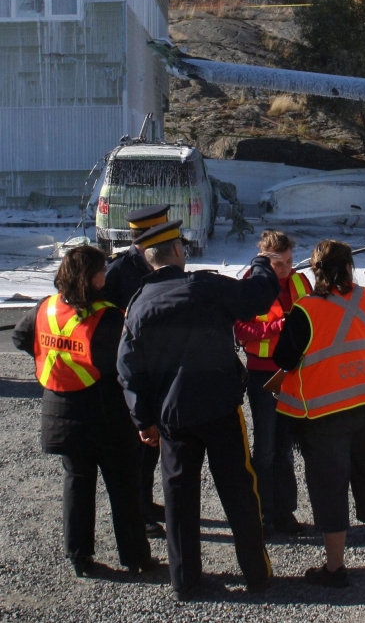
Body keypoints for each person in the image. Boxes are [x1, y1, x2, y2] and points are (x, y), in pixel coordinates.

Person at [117, 220, 280, 600]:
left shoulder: (138, 305)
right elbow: (257, 297)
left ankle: (185, 581)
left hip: (172, 419)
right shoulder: (207, 287)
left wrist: (143, 419)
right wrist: (261, 261)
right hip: (220, 408)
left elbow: (127, 368)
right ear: (176, 252)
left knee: (178, 498)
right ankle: (256, 573)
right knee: (240, 490)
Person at [13, 246, 154, 578]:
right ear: (90, 278)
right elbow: (125, 365)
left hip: (60, 412)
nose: (107, 275)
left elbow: (21, 338)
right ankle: (134, 556)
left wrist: (56, 358)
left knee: (77, 484)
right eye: (102, 270)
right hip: (105, 415)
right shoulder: (108, 317)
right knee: (122, 487)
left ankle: (79, 556)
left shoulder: (45, 308)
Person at [272, 240, 365, 589]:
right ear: (349, 267)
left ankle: (335, 568)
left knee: (329, 485)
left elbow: (283, 359)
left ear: (315, 272)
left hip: (328, 412)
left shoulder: (306, 310)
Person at [234, 230, 310, 537]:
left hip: (293, 374)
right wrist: (278, 326)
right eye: (281, 264)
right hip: (263, 375)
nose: (287, 268)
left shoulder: (300, 282)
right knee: (264, 448)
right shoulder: (251, 284)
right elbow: (241, 329)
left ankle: (285, 513)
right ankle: (262, 513)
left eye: (291, 261)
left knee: (285, 447)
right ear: (266, 258)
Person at [103, 204, 171, 539]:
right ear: (143, 238)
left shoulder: (159, 263)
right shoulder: (119, 270)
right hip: (131, 369)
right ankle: (137, 510)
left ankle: (146, 499)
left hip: (158, 367)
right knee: (136, 445)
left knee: (153, 443)